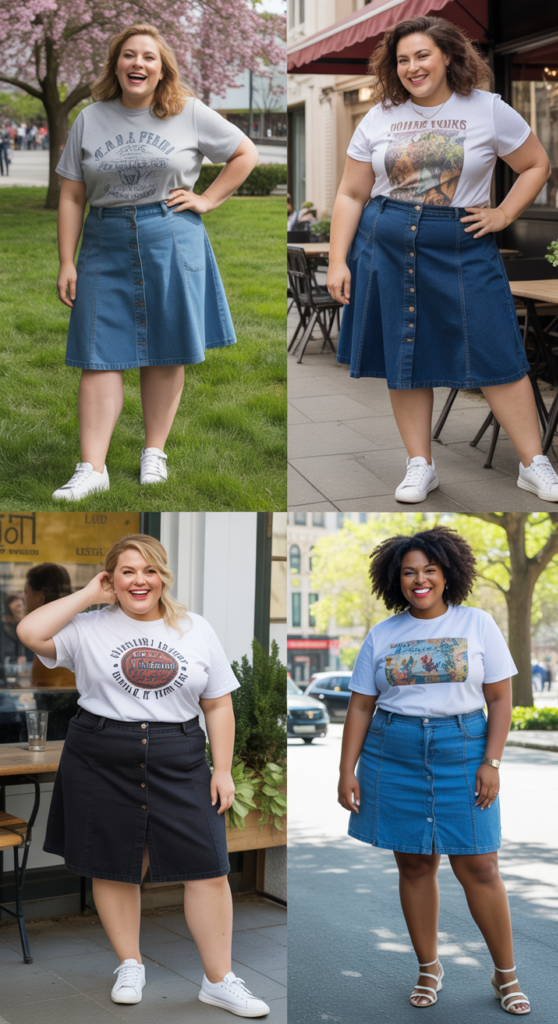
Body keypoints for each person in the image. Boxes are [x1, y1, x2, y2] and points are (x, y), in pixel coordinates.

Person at [17, 533, 269, 1016]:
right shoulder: (87, 626)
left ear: (163, 576)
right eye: (127, 571)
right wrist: (90, 594)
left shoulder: (195, 628)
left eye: (149, 570)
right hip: (100, 751)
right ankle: (129, 963)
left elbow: (217, 704)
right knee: (115, 864)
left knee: (210, 867)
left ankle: (220, 980)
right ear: (112, 578)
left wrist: (222, 770)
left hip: (180, 752)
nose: (140, 580)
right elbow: (30, 632)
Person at [327, 15, 558, 505]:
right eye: (402, 60)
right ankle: (420, 465)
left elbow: (536, 164)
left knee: (497, 347)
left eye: (422, 55)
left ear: (446, 56)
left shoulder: (489, 109)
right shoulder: (378, 117)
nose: (413, 67)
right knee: (405, 354)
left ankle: (533, 463)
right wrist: (338, 260)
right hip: (387, 245)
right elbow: (351, 194)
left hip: (462, 242)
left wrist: (504, 213)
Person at [52, 22, 259, 501]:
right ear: (116, 65)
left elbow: (244, 153)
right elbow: (71, 195)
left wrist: (208, 199)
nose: (138, 63)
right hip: (104, 240)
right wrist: (67, 260)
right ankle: (92, 467)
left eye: (148, 56)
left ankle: (154, 452)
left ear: (162, 67)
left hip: (169, 235)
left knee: (165, 347)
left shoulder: (187, 112)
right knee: (98, 351)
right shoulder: (90, 118)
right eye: (128, 55)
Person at [338, 526, 530, 1015]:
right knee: (416, 864)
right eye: (408, 572)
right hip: (393, 751)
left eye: (429, 570)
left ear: (447, 574)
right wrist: (347, 770)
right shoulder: (383, 634)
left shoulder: (478, 623)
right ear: (395, 579)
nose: (418, 580)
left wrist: (492, 761)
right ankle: (429, 967)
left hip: (463, 749)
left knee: (479, 865)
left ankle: (505, 975)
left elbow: (500, 698)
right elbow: (360, 707)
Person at [23, 564, 76, 688]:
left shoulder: (45, 631)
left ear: (39, 596)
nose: (23, 598)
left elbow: (43, 683)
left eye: (26, 592)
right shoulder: (74, 624)